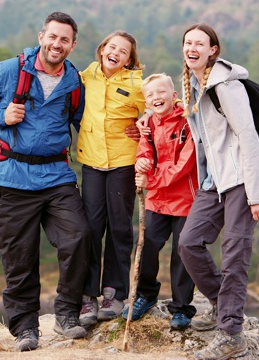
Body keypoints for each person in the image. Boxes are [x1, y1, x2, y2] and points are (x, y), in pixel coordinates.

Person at [0, 11, 91, 351]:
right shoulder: (9, 70)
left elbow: (86, 124)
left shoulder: (74, 81)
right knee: (20, 257)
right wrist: (0, 115)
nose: (57, 44)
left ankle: (67, 315)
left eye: (65, 40)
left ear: (72, 45)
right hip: (11, 176)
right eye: (53, 37)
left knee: (78, 235)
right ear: (41, 37)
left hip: (56, 175)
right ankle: (25, 329)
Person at [176, 23, 259, 360]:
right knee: (189, 243)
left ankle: (231, 334)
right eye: (188, 42)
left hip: (241, 179)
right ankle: (223, 306)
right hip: (213, 182)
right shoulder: (192, 84)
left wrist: (256, 193)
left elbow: (247, 138)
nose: (192, 47)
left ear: (212, 50)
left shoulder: (226, 86)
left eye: (199, 43)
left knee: (234, 251)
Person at [76, 30, 147, 326]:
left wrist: (142, 123)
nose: (115, 52)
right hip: (92, 162)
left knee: (119, 228)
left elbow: (163, 106)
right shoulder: (85, 76)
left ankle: (115, 294)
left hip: (122, 163)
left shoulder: (138, 83)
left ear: (129, 59)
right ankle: (87, 296)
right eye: (111, 46)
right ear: (102, 48)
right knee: (91, 228)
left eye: (123, 51)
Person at [123, 73, 197, 330]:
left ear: (173, 95)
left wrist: (149, 179)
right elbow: (144, 150)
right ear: (146, 101)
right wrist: (141, 162)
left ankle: (182, 307)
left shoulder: (188, 122)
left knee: (183, 252)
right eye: (150, 94)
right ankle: (145, 294)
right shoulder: (148, 125)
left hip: (186, 199)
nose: (156, 97)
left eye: (161, 92)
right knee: (147, 246)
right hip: (157, 201)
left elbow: (184, 167)